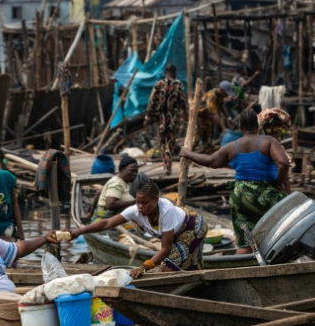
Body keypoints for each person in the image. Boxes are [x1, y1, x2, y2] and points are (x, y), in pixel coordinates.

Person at [180, 109, 291, 255]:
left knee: (246, 242)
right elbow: (283, 163)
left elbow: (209, 161)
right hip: (265, 194)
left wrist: (187, 153)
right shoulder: (269, 141)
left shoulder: (232, 146)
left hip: (240, 195)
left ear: (240, 128)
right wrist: (279, 182)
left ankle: (240, 267)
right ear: (257, 126)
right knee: (289, 217)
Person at [71, 179, 207, 277]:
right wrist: (79, 231)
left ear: (155, 200)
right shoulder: (134, 211)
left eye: (145, 203)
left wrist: (144, 267)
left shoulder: (166, 210)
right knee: (182, 264)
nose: (140, 206)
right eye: (138, 202)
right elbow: (107, 223)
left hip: (192, 227)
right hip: (176, 231)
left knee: (167, 269)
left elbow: (166, 248)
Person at [144, 64, 187, 175]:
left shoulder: (158, 84)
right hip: (173, 119)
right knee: (171, 142)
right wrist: (186, 115)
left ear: (165, 72)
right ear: (175, 72)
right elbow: (183, 103)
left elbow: (151, 102)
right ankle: (168, 166)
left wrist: (148, 117)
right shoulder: (179, 85)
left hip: (161, 118)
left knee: (163, 142)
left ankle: (166, 166)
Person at [93, 155, 139, 220]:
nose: (135, 174)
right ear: (122, 169)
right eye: (132, 171)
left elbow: (99, 192)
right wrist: (135, 202)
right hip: (107, 219)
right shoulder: (116, 182)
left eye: (136, 172)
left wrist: (91, 212)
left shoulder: (122, 183)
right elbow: (110, 204)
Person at [195, 84, 232, 155]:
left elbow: (221, 106)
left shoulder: (220, 95)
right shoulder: (211, 96)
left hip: (208, 118)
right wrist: (223, 127)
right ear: (222, 90)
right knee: (196, 139)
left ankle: (208, 157)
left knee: (209, 139)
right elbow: (214, 114)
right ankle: (187, 156)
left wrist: (228, 117)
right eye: (226, 93)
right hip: (199, 118)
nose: (226, 95)